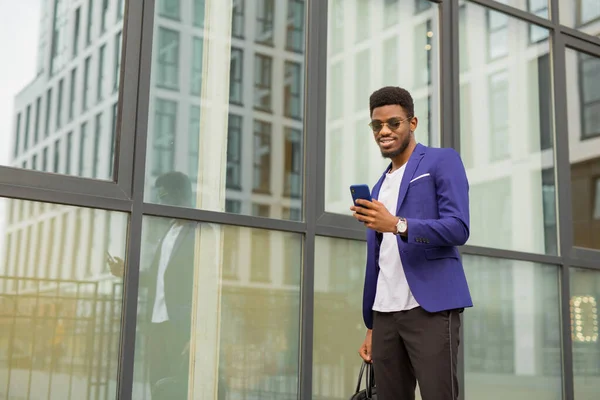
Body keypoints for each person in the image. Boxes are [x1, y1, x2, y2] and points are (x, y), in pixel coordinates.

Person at [350, 86, 472, 400]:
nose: (384, 131)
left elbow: (458, 228)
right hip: (384, 315)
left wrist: (397, 224)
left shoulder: (441, 161)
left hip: (428, 309)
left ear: (413, 123)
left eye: (394, 123)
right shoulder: (378, 185)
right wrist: (372, 326)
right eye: (377, 125)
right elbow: (380, 259)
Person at [109, 171, 196, 399]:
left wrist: (196, 333)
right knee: (158, 387)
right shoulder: (169, 232)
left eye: (163, 196)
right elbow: (158, 278)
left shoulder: (200, 231)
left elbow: (205, 286)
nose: (158, 203)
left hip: (180, 327)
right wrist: (127, 271)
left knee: (179, 390)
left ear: (178, 196)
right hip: (157, 324)